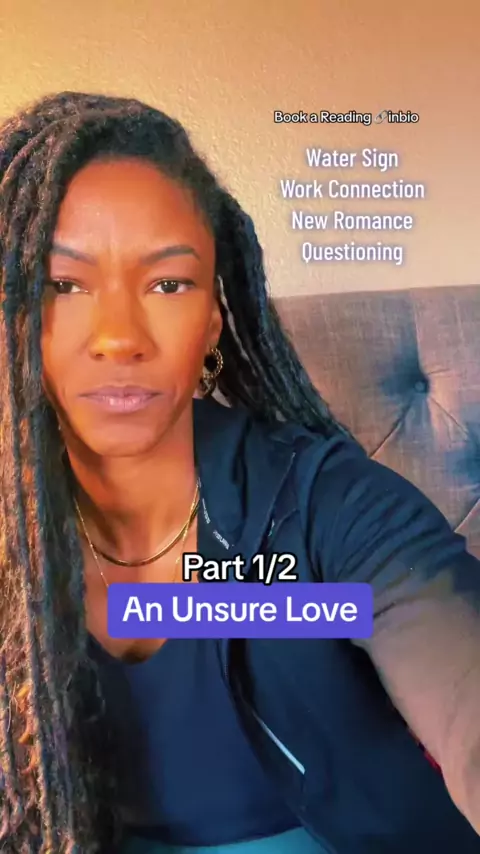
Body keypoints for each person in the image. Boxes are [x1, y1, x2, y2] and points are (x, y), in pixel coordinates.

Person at [0, 91, 479, 854]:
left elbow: (440, 645)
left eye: (168, 284)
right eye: (64, 284)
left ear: (213, 323)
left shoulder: (320, 500)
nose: (119, 337)